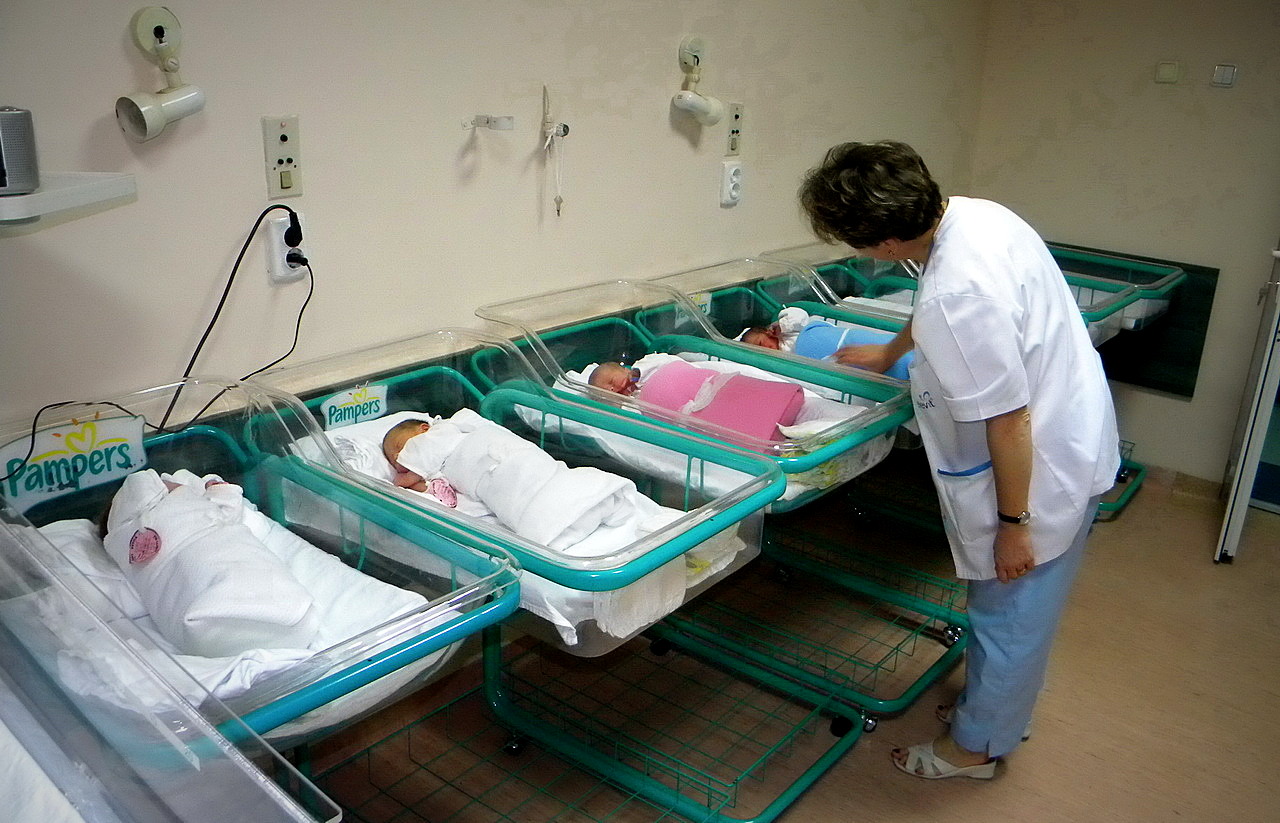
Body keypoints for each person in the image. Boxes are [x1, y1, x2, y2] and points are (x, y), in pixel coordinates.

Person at [798, 141, 1119, 779]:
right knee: (1018, 615)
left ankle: (978, 748)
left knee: (1009, 616)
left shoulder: (958, 293)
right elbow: (934, 298)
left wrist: (1015, 525)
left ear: (887, 242)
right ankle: (998, 710)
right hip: (1072, 423)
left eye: (857, 244)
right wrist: (891, 352)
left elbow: (1007, 419)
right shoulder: (974, 214)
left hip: (1040, 465)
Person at [738, 307, 914, 380]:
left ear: (767, 332)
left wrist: (783, 325)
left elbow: (800, 315)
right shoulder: (778, 362)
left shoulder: (788, 333)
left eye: (761, 342)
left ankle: (911, 354)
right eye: (759, 350)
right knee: (872, 368)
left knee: (877, 346)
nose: (764, 349)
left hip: (833, 340)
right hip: (831, 361)